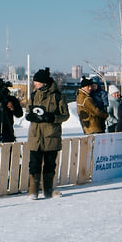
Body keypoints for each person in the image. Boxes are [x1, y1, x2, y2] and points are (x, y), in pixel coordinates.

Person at [26, 68, 70, 199]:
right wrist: (31, 116)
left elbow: (65, 115)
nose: (35, 84)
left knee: (50, 164)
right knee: (34, 163)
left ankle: (48, 190)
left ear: (44, 83)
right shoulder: (34, 95)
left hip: (51, 135)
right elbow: (28, 110)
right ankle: (33, 191)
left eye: (37, 82)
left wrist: (52, 118)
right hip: (36, 136)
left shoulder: (58, 96)